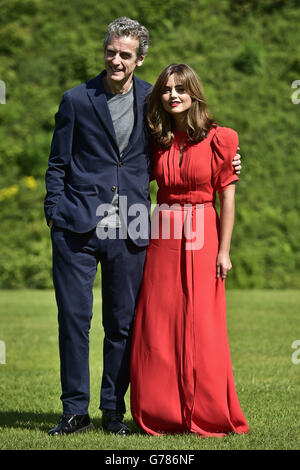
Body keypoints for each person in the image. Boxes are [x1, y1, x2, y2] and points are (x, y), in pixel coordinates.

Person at [44, 17, 242, 436]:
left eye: (125, 54)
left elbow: (188, 136)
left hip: (131, 227)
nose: (116, 60)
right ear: (105, 50)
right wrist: (54, 212)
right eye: (111, 51)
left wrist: (227, 161)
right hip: (76, 226)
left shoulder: (152, 100)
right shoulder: (76, 100)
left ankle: (113, 412)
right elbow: (57, 162)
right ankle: (74, 411)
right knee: (75, 320)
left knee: (122, 324)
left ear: (140, 59)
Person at [130, 63, 249, 437]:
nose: (173, 95)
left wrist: (224, 251)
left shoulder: (222, 139)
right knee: (158, 324)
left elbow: (226, 197)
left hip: (203, 232)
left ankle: (208, 411)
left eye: (181, 88)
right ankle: (161, 412)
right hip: (162, 232)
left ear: (194, 91)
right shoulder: (156, 138)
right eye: (166, 90)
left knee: (202, 325)